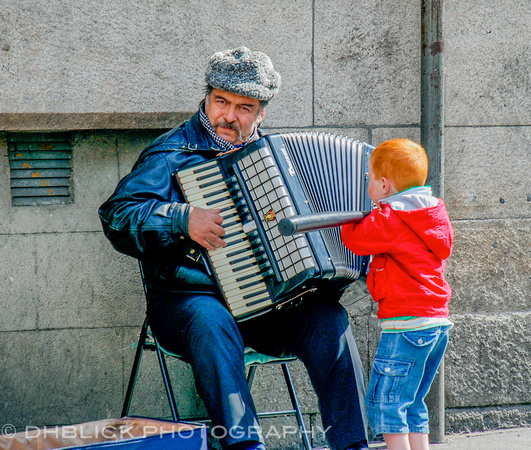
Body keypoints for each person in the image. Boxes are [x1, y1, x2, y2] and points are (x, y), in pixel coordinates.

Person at [99, 46, 368, 450]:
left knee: (330, 320)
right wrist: (180, 218)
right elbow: (117, 215)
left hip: (270, 309)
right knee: (212, 321)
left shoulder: (280, 162)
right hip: (188, 303)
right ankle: (245, 446)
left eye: (244, 107)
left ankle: (353, 445)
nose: (228, 115)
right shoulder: (171, 153)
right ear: (206, 98)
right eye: (221, 101)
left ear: (262, 114)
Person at [341, 139, 454, 450]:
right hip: (436, 323)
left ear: (384, 184)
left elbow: (359, 240)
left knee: (386, 402)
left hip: (405, 325)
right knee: (413, 401)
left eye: (369, 180)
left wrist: (348, 225)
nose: (368, 186)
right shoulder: (433, 213)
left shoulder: (391, 218)